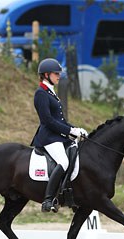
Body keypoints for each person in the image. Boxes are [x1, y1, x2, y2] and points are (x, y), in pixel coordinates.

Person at [31, 58, 88, 213]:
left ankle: (69, 194)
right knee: (63, 162)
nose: (59, 76)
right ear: (46, 74)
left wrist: (75, 129)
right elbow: (47, 120)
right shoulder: (41, 93)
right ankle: (48, 199)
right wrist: (70, 131)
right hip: (48, 137)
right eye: (56, 74)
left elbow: (59, 120)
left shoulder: (51, 92)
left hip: (57, 135)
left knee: (75, 153)